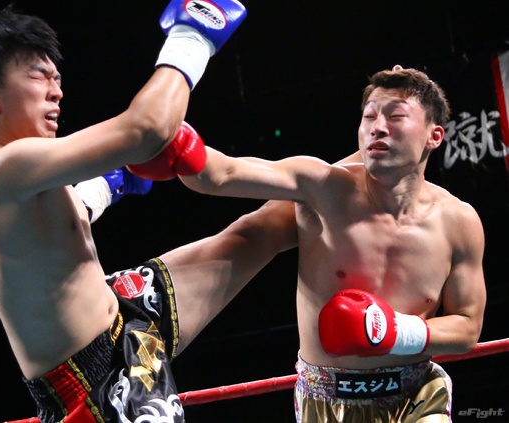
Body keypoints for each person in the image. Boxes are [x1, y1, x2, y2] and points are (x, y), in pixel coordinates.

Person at [0, 3, 296, 422]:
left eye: (56, 78)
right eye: (37, 75)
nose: (56, 90)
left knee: (264, 229)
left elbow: (72, 216)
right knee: (259, 232)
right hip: (94, 389)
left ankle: (358, 175)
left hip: (123, 311)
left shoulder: (27, 174)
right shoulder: (0, 169)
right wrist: (192, 38)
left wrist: (113, 183)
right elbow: (147, 129)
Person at [130, 66, 487, 421]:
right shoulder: (322, 188)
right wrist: (177, 147)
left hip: (418, 395)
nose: (378, 127)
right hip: (326, 400)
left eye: (395, 116)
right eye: (369, 116)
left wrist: (396, 331)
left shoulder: (459, 221)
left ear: (434, 136)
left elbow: (467, 327)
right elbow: (222, 174)